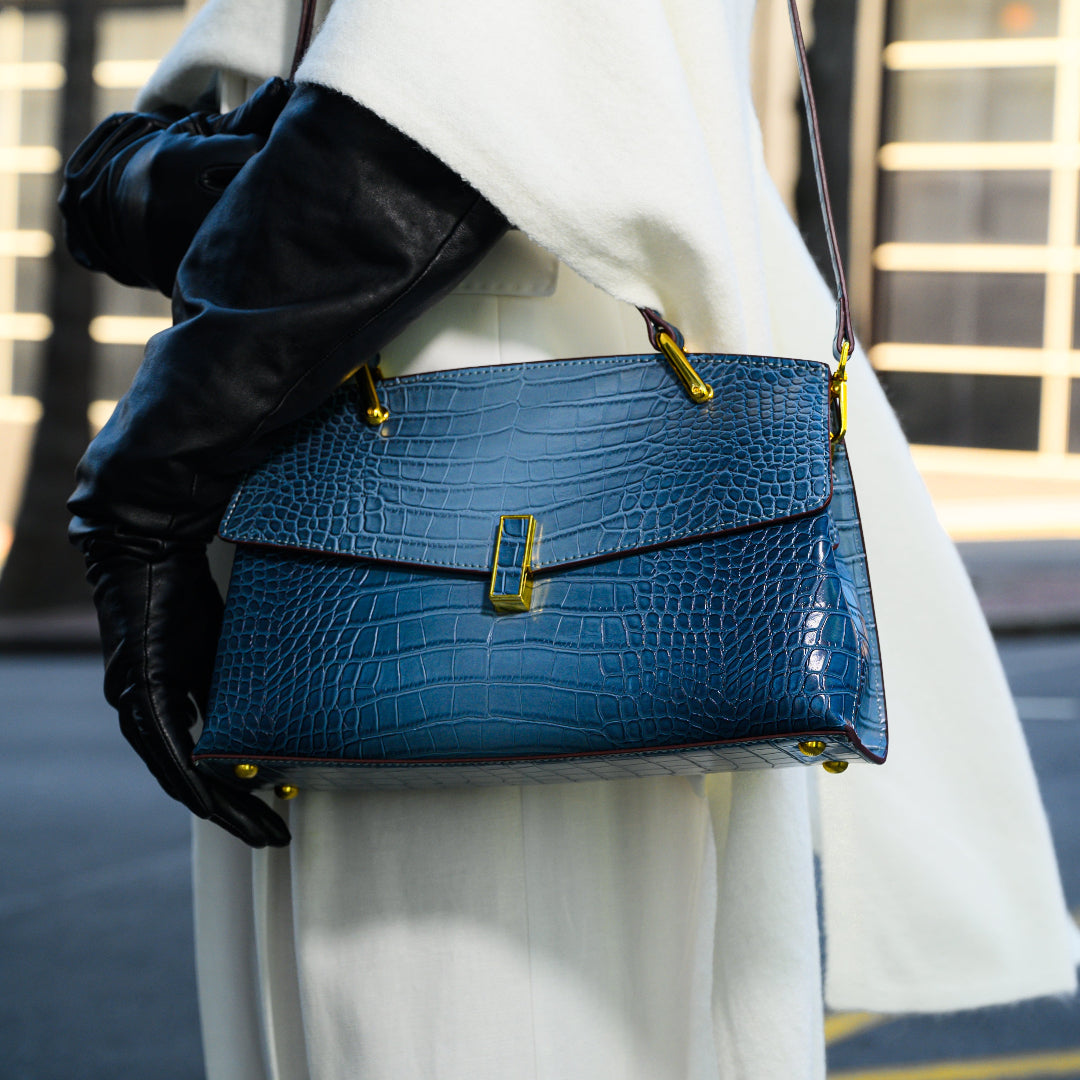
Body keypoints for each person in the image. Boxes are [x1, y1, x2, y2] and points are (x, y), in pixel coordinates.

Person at [63, 0, 1078, 1077]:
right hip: (365, 439)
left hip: (452, 473)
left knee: (473, 1018)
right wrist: (219, 170)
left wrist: (141, 498)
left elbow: (424, 117)